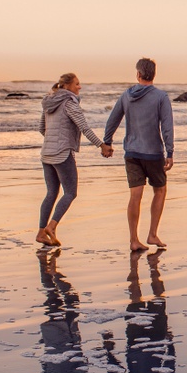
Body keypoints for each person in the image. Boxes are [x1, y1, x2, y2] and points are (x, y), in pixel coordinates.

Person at [102, 57, 174, 251]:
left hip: (132, 153)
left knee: (135, 195)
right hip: (153, 153)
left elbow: (113, 119)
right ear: (153, 74)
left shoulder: (127, 95)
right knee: (160, 190)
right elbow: (167, 126)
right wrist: (170, 151)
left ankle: (134, 239)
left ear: (138, 74)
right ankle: (152, 234)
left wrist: (107, 142)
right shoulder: (161, 97)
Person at [37, 72, 112, 247]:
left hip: (46, 153)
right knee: (70, 192)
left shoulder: (49, 102)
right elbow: (84, 127)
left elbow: (42, 128)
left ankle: (41, 232)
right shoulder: (69, 102)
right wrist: (101, 145)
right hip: (62, 153)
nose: (79, 87)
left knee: (51, 193)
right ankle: (52, 226)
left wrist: (52, 141)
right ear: (67, 86)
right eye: (77, 84)